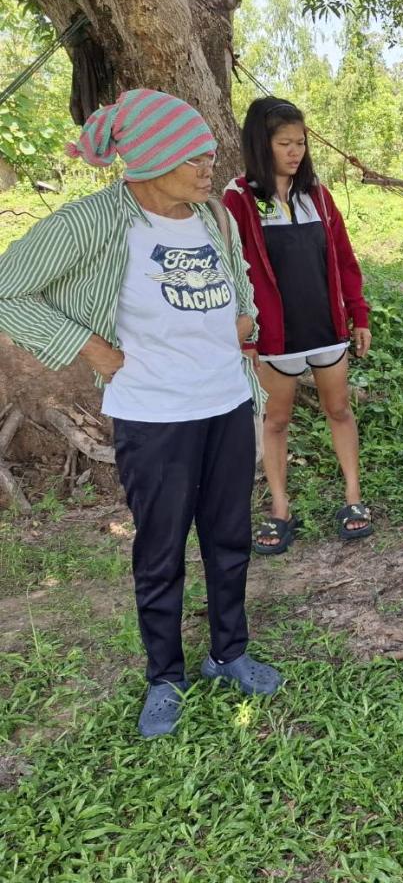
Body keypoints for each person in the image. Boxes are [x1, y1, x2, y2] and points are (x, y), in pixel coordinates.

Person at [0, 89, 282, 737]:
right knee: (159, 552)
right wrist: (88, 346)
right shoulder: (94, 223)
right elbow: (8, 288)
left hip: (226, 403)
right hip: (154, 416)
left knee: (229, 539)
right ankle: (165, 677)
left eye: (211, 155)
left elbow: (238, 279)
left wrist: (246, 316)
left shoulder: (215, 214)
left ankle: (228, 652)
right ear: (153, 159)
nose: (210, 167)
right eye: (196, 156)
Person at [223, 97, 373, 554]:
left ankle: (353, 500)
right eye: (284, 143)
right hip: (274, 337)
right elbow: (233, 270)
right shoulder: (239, 199)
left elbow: (344, 260)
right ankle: (280, 509)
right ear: (259, 144)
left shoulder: (318, 196)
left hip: (325, 328)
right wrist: (245, 335)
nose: (295, 152)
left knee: (340, 411)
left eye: (300, 143)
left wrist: (357, 312)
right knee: (276, 421)